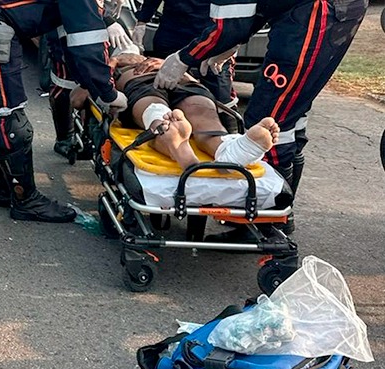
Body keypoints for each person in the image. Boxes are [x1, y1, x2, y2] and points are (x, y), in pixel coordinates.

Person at [152, 0, 369, 234]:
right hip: (317, 10)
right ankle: (278, 216)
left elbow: (231, 23)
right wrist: (230, 43)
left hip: (316, 13)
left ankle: (269, 224)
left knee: (270, 120)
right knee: (292, 111)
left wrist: (184, 58)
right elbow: (254, 9)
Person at [0, 0, 128, 223]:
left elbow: (69, 36)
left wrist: (88, 80)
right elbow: (86, 42)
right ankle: (25, 200)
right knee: (8, 115)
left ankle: (7, 189)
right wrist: (107, 92)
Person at [72, 54, 280, 168]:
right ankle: (226, 149)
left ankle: (175, 139)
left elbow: (76, 99)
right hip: (174, 77)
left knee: (158, 111)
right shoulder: (113, 59)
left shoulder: (108, 59)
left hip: (155, 78)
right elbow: (78, 98)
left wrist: (111, 67)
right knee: (198, 113)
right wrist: (113, 63)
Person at [47, 2, 135, 158]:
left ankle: (87, 134)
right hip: (70, 23)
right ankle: (64, 139)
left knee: (91, 81)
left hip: (89, 18)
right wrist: (107, 20)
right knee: (64, 83)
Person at [131, 0, 237, 107]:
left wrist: (234, 39)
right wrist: (142, 21)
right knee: (162, 91)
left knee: (222, 99)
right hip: (173, 36)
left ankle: (226, 119)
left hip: (210, 41)